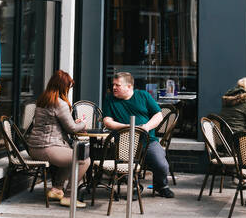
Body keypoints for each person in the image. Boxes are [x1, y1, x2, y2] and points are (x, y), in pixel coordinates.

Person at [103, 71, 174, 198]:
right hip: (123, 143)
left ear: (129, 86)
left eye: (117, 85)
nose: (113, 87)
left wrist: (146, 127)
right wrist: (128, 127)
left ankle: (161, 186)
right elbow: (107, 121)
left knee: (161, 165)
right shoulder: (110, 99)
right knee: (125, 165)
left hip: (148, 140)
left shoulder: (143, 96)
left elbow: (159, 115)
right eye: (113, 84)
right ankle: (134, 187)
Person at [26, 71, 91, 207]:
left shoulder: (44, 99)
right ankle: (69, 196)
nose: (68, 90)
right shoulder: (59, 103)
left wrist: (74, 123)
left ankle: (57, 189)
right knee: (84, 159)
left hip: (35, 147)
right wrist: (83, 123)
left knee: (70, 153)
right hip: (47, 147)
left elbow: (58, 124)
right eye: (68, 87)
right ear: (63, 87)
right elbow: (72, 128)